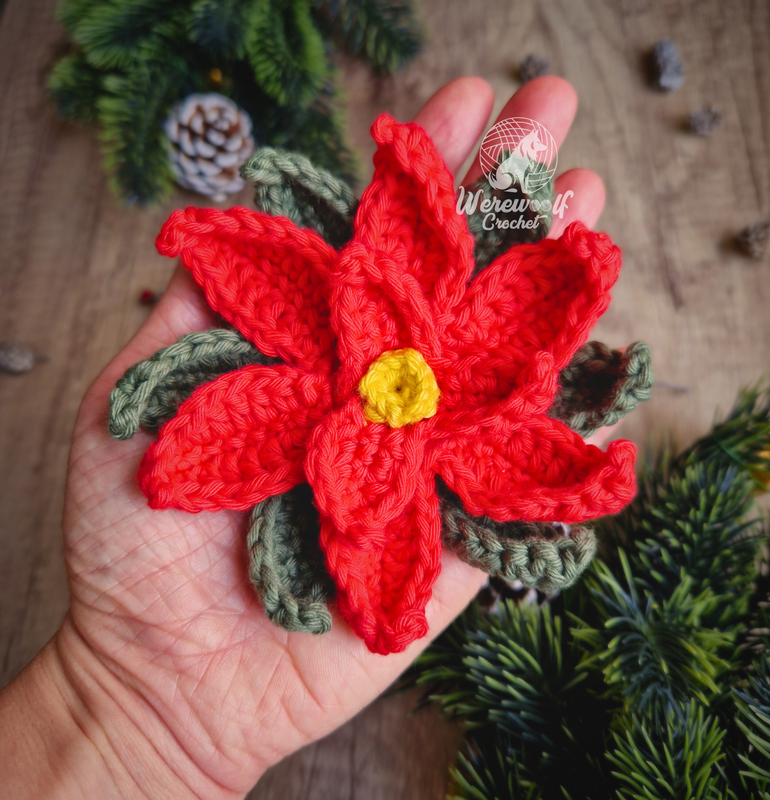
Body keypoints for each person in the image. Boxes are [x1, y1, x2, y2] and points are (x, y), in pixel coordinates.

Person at [0, 75, 608, 798]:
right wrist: (132, 700)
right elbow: (205, 446)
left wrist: (134, 715)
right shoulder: (324, 328)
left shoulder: (474, 412)